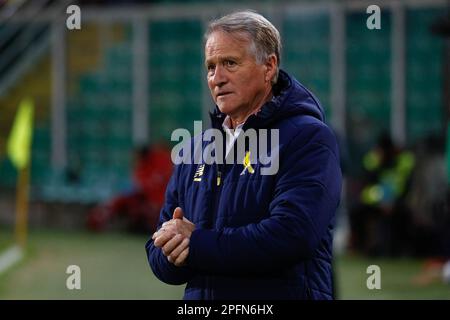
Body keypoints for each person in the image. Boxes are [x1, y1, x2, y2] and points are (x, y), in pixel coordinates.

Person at [145, 11, 342, 300]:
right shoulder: (194, 149)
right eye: (210, 67)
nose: (217, 78)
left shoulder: (309, 139)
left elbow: (291, 235)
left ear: (269, 67)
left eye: (230, 63)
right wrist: (172, 250)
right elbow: (158, 248)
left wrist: (196, 244)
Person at [87, 143, 172, 233]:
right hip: (148, 200)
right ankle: (98, 221)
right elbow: (141, 187)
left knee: (149, 211)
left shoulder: (161, 162)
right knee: (121, 202)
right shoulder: (142, 168)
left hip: (162, 202)